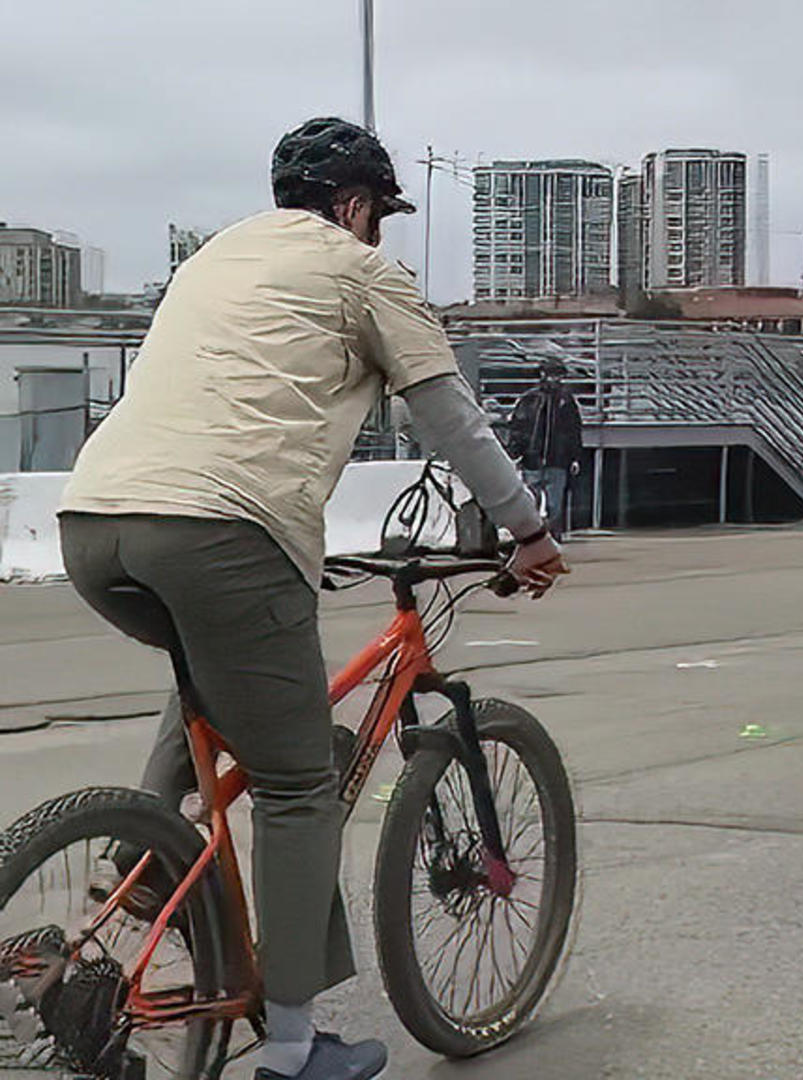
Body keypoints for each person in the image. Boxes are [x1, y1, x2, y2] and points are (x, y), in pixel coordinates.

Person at [57, 117, 566, 1080]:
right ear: (355, 204)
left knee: (209, 677)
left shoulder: (216, 257)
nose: (378, 233)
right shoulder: (363, 269)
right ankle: (293, 1049)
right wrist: (528, 530)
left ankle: (136, 858)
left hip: (94, 520)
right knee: (297, 785)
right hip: (223, 527)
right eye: (379, 215)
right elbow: (445, 412)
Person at [507, 357, 585, 539]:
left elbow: (574, 430)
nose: (555, 380)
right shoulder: (530, 399)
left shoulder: (566, 400)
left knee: (554, 504)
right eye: (552, 375)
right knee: (531, 501)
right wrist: (515, 452)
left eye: (558, 376)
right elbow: (519, 428)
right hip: (533, 459)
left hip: (556, 459)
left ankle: (552, 535)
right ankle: (533, 535)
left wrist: (575, 456)